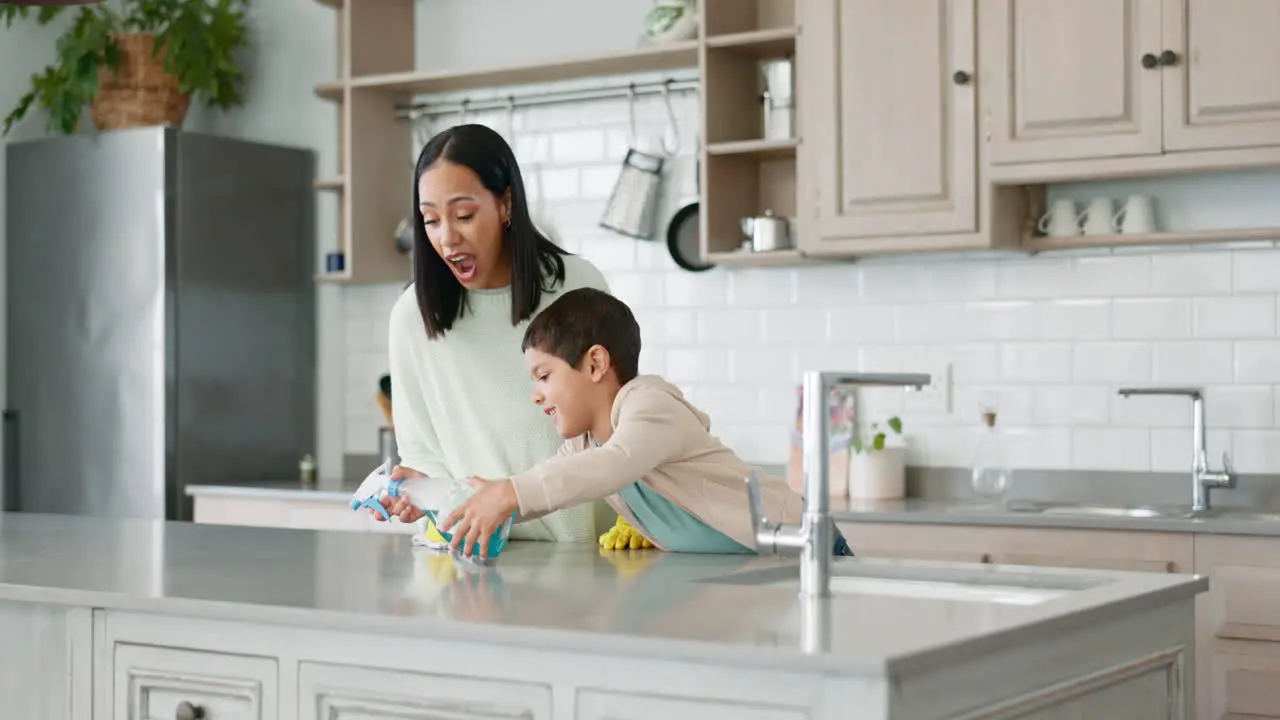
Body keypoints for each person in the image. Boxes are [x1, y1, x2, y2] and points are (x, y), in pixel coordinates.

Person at [383, 286, 857, 560]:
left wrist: (508, 494)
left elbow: (612, 466)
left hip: (805, 545)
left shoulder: (647, 404)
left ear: (594, 364)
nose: (536, 395)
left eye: (544, 376)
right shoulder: (588, 442)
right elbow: (538, 491)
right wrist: (441, 495)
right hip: (759, 566)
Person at [384, 123, 640, 546]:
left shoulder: (576, 285)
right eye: (431, 220)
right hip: (474, 558)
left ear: (505, 204)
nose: (447, 237)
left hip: (584, 555)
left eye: (464, 215)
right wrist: (419, 492)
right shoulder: (412, 317)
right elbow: (422, 452)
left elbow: (622, 423)